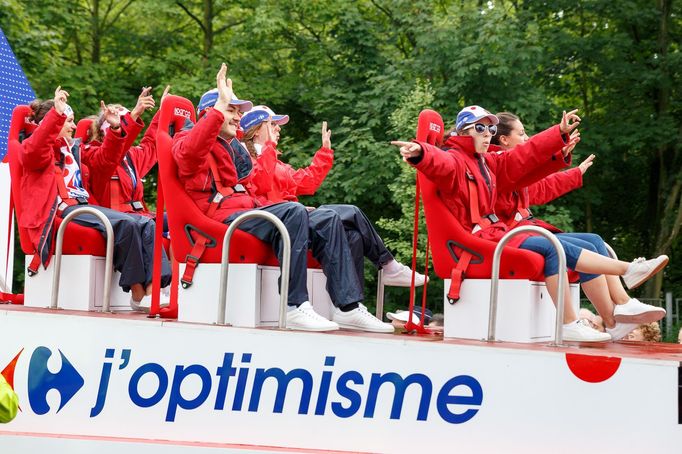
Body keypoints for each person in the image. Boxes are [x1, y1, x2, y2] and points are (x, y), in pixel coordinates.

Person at [392, 105, 668, 342]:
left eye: (490, 130)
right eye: (481, 129)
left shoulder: (486, 163)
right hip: (483, 239)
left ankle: (612, 311)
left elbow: (533, 174)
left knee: (584, 242)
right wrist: (421, 153)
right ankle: (624, 276)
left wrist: (559, 145)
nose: (487, 134)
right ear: (464, 132)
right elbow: (442, 162)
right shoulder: (459, 160)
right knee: (551, 246)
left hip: (499, 232)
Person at [171, 64, 393, 333]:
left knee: (328, 219)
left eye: (237, 112)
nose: (238, 116)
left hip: (248, 210)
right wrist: (220, 109)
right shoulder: (188, 140)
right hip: (222, 218)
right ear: (210, 113)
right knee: (294, 212)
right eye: (232, 110)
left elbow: (258, 188)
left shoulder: (233, 149)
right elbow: (190, 153)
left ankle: (348, 307)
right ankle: (294, 306)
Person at [491, 111, 666, 340]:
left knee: (593, 240)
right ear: (504, 140)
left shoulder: (510, 169)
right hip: (512, 235)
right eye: (521, 133)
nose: (526, 137)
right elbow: (530, 155)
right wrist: (558, 134)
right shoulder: (496, 166)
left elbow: (540, 187)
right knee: (556, 247)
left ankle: (617, 314)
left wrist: (573, 173)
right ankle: (627, 275)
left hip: (522, 230)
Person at [239, 105, 426, 290]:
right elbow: (261, 185)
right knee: (352, 212)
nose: (278, 128)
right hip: (280, 223)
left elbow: (307, 183)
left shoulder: (275, 162)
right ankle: (389, 266)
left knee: (353, 236)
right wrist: (270, 147)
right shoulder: (246, 158)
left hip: (293, 217)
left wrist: (325, 153)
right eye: (272, 124)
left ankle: (353, 305)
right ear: (256, 131)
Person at [20, 87, 171, 312]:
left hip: (84, 208)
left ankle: (152, 290)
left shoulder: (76, 149)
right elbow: (36, 148)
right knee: (129, 222)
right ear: (51, 123)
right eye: (68, 121)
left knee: (147, 223)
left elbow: (110, 158)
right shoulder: (38, 149)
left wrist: (120, 126)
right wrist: (56, 115)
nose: (73, 126)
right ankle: (142, 292)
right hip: (62, 211)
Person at [83, 86, 170, 217]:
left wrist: (163, 112)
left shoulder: (131, 155)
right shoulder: (94, 156)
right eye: (126, 121)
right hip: (118, 222)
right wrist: (134, 114)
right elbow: (112, 154)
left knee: (179, 220)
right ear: (109, 127)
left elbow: (152, 143)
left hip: (140, 217)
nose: (130, 126)